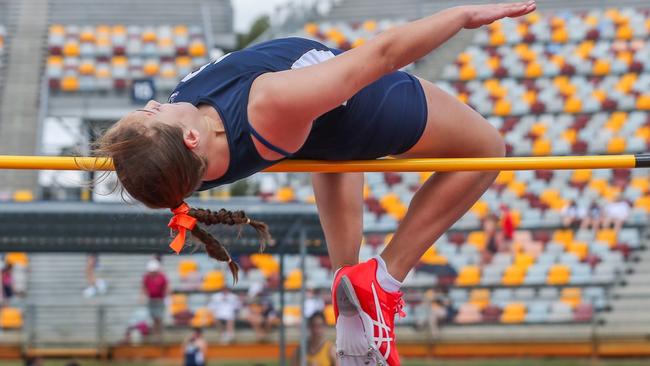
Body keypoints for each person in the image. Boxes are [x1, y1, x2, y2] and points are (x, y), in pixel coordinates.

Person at [94, 2, 536, 364]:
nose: (153, 103)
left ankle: (348, 291)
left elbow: (139, 158)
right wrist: (461, 17)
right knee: (486, 151)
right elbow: (381, 56)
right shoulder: (268, 103)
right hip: (360, 106)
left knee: (328, 151)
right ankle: (384, 280)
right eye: (152, 114)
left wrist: (129, 143)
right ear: (190, 138)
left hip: (312, 127)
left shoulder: (170, 167)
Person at [141, 259, 168, 341]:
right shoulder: (147, 277)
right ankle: (156, 334)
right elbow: (144, 287)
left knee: (158, 318)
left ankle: (158, 335)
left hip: (160, 300)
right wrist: (143, 296)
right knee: (153, 317)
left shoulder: (162, 277)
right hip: (151, 300)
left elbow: (166, 287)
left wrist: (166, 297)